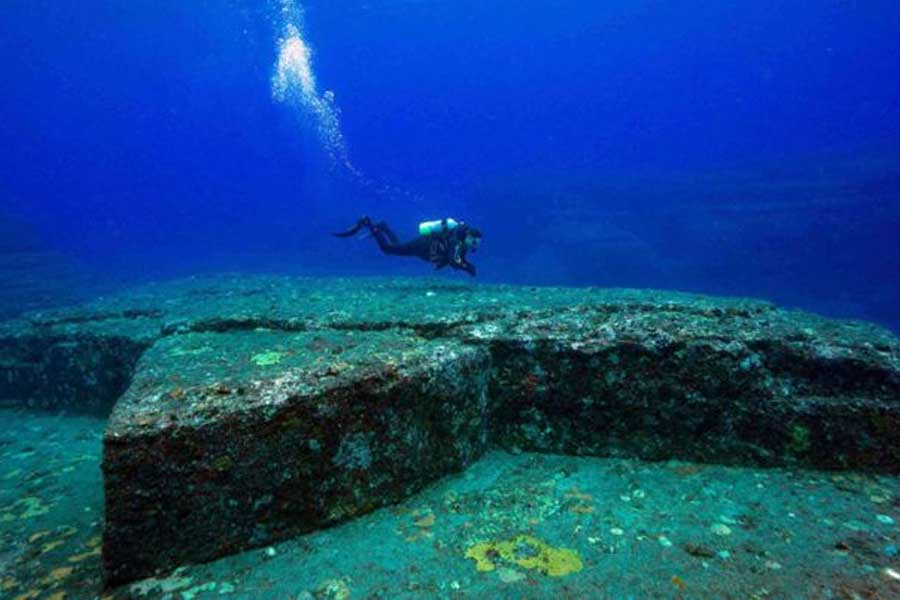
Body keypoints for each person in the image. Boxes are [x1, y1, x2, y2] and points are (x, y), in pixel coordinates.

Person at [334, 217, 482, 276]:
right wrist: (468, 267)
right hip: (423, 246)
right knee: (388, 249)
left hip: (424, 246)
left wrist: (466, 266)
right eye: (474, 242)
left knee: (396, 247)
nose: (474, 246)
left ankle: (383, 227)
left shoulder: (460, 240)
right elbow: (454, 260)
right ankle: (370, 225)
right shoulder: (457, 241)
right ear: (469, 237)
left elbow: (456, 259)